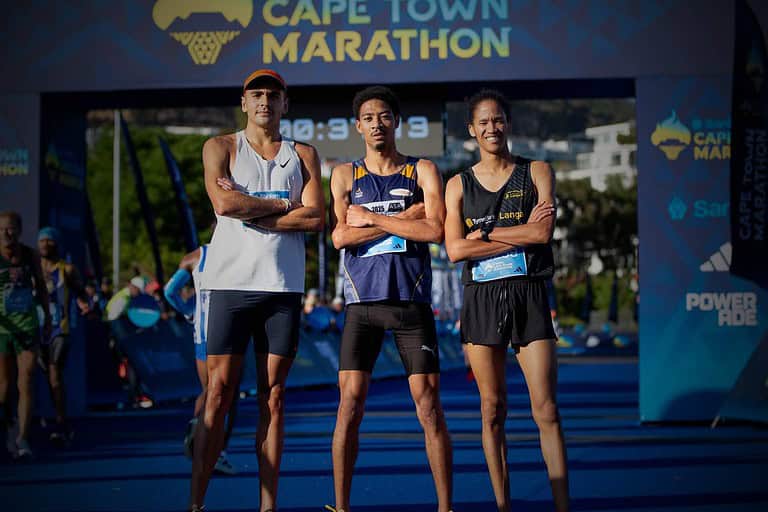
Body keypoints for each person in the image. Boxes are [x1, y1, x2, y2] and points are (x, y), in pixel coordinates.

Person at [190, 68, 325, 512]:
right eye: (256, 94)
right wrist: (285, 204)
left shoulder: (303, 154)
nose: (265, 100)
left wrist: (251, 208)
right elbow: (224, 203)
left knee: (275, 399)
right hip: (229, 286)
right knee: (217, 394)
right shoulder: (220, 147)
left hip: (281, 289)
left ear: (285, 103)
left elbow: (315, 217)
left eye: (273, 93)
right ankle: (196, 504)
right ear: (244, 102)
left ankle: (268, 507)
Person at [327, 86, 453, 512]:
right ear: (358, 126)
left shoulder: (423, 170)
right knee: (349, 406)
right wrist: (404, 218)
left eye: (384, 116)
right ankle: (341, 507)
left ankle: (445, 507)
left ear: (396, 121)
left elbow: (435, 230)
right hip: (361, 307)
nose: (376, 124)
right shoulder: (345, 174)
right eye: (368, 118)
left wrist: (372, 218)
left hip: (411, 305)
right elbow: (340, 237)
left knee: (429, 408)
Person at [443, 89, 568, 512]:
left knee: (546, 409)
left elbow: (541, 234)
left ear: (508, 124)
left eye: (498, 120)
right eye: (483, 122)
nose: (492, 128)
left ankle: (562, 506)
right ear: (472, 130)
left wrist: (485, 234)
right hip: (481, 299)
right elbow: (455, 250)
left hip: (529, 294)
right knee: (492, 409)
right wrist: (514, 235)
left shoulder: (537, 172)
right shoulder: (457, 184)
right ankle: (503, 506)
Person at [164, 245, 238, 475]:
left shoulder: (195, 257)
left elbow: (169, 291)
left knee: (208, 390)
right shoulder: (239, 252)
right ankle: (217, 451)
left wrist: (188, 311)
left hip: (202, 335)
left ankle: (197, 425)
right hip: (227, 335)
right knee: (228, 395)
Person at [0, 211, 51, 459]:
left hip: (27, 326)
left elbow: (40, 287)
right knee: (4, 386)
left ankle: (23, 437)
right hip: (3, 330)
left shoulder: (30, 255)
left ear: (19, 230)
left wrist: (48, 317)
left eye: (10, 228)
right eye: (1, 229)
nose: (5, 233)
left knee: (26, 379)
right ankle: (8, 428)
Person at [37, 226, 84, 445]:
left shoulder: (67, 269)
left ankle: (60, 423)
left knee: (54, 374)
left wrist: (86, 302)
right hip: (35, 329)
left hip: (59, 329)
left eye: (50, 240)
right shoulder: (31, 269)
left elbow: (82, 292)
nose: (45, 244)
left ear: (57, 243)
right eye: (42, 240)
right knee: (32, 376)